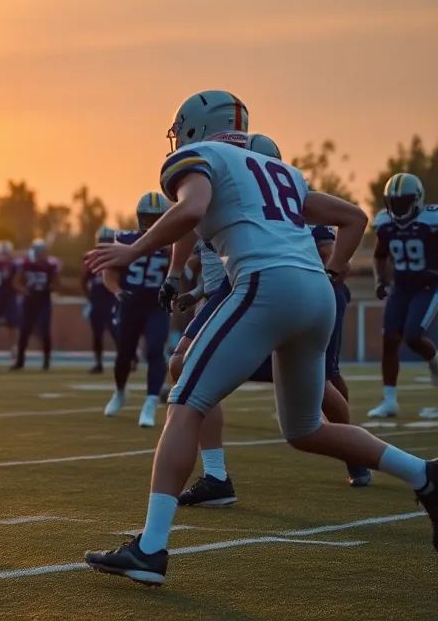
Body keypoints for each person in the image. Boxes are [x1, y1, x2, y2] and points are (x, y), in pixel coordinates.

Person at [83, 90, 438, 586]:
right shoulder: (279, 170)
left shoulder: (201, 157)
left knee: (185, 399)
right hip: (315, 294)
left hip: (266, 285)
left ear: (192, 128)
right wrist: (334, 274)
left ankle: (151, 547)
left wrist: (131, 251)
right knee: (305, 428)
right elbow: (355, 218)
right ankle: (425, 474)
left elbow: (192, 209)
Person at [164, 133, 371, 507]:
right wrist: (183, 281)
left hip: (276, 289)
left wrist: (330, 274)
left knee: (319, 391)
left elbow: (340, 234)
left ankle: (357, 455)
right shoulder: (223, 186)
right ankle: (215, 474)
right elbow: (189, 228)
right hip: (229, 291)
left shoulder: (285, 202)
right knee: (182, 365)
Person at [367, 173, 438, 417]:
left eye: (403, 201)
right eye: (394, 202)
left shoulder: (431, 220)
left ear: (417, 200)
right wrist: (380, 279)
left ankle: (436, 363)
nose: (397, 207)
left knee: (413, 336)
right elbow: (379, 255)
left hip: (429, 287)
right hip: (401, 287)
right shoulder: (385, 223)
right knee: (389, 341)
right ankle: (389, 401)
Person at [102, 194, 171, 428]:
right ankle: (120, 392)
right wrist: (117, 291)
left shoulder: (172, 243)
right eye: (149, 219)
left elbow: (183, 267)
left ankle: (150, 403)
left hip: (156, 305)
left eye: (157, 219)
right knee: (124, 356)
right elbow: (108, 272)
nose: (152, 224)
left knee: (154, 349)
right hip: (130, 304)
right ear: (140, 218)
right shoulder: (124, 239)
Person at [13, 239, 59, 371]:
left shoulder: (50, 266)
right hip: (29, 302)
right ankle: (20, 361)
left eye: (43, 252)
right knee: (24, 332)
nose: (41, 255)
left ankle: (46, 361)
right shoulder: (26, 265)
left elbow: (56, 283)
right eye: (39, 253)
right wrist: (24, 290)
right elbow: (16, 282)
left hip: (43, 301)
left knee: (45, 330)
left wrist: (50, 287)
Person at [81, 226, 118, 374]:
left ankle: (129, 358)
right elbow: (83, 281)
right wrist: (90, 298)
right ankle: (98, 363)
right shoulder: (91, 258)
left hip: (112, 301)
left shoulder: (118, 256)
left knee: (118, 333)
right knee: (97, 335)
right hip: (97, 303)